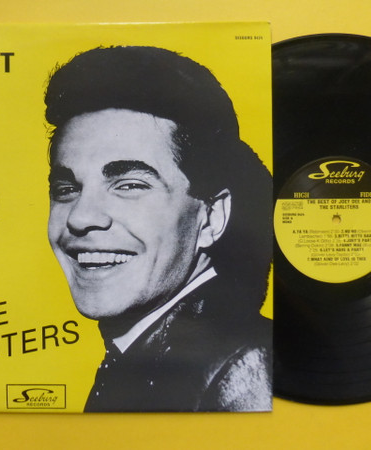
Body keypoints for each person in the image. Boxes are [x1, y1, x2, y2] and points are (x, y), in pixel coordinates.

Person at [44, 46, 272, 412]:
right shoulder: (145, 355)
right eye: (66, 189)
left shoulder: (243, 368)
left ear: (212, 217)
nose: (80, 218)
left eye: (130, 185)